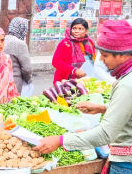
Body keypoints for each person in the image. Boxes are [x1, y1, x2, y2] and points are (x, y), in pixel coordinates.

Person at [34, 20, 132, 174]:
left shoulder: (127, 84)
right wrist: (103, 108)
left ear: (122, 55)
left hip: (126, 164)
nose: (100, 60)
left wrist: (60, 140)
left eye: (105, 55)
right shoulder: (126, 78)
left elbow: (105, 134)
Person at [52, 18, 96, 83]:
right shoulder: (65, 43)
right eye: (74, 28)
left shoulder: (89, 43)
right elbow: (56, 62)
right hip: (65, 80)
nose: (76, 31)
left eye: (80, 29)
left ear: (86, 31)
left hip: (84, 79)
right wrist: (74, 70)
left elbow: (92, 59)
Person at [4, 17, 33, 94]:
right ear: (23, 30)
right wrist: (28, 80)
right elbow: (27, 69)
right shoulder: (20, 44)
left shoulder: (2, 40)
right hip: (13, 84)